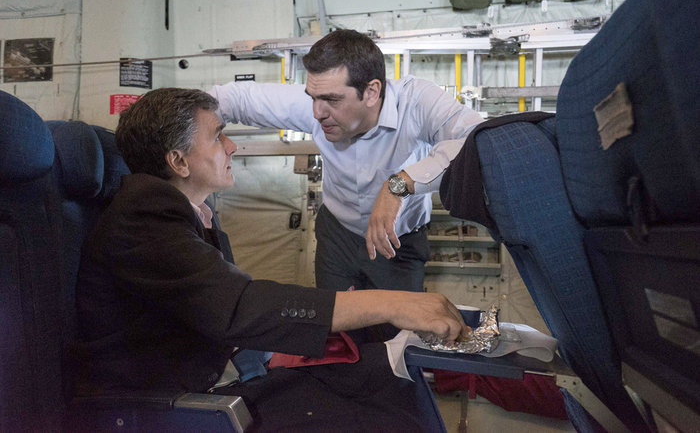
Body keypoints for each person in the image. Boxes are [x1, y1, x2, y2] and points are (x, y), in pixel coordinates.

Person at [74, 87, 470, 431]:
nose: (231, 146)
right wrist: (391, 303)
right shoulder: (143, 219)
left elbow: (221, 302)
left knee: (386, 380)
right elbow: (238, 307)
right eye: (217, 136)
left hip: (212, 373)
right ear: (179, 162)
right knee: (381, 414)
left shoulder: (188, 212)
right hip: (173, 402)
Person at [210, 29, 483, 293]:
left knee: (397, 324)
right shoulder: (320, 103)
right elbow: (233, 100)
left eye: (332, 100)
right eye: (313, 98)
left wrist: (398, 185)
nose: (317, 113)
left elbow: (477, 141)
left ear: (371, 92)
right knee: (336, 321)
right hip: (336, 236)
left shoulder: (416, 102)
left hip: (397, 245)